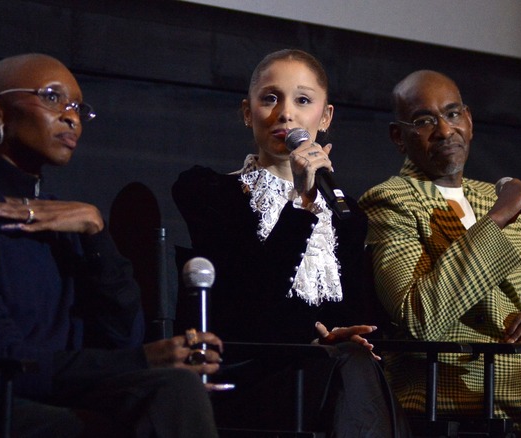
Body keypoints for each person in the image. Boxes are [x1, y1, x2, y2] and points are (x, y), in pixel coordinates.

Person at [0, 53, 225, 438]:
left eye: (78, 107)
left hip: (52, 393)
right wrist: (142, 359)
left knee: (175, 387)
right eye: (51, 98)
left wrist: (97, 233)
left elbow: (120, 337)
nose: (71, 116)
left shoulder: (66, 218)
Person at [171, 48, 410, 438]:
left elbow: (354, 315)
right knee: (351, 371)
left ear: (325, 117)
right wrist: (301, 203)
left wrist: (339, 334)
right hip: (251, 372)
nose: (286, 113)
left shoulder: (346, 214)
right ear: (248, 113)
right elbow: (249, 305)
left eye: (302, 100)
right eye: (270, 98)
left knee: (355, 359)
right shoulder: (209, 191)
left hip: (327, 374)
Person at [358, 69, 521, 438]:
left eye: (452, 113)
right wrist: (497, 218)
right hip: (463, 382)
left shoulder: (493, 195)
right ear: (398, 136)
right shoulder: (390, 200)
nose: (445, 131)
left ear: (470, 120)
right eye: (424, 120)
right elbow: (419, 318)